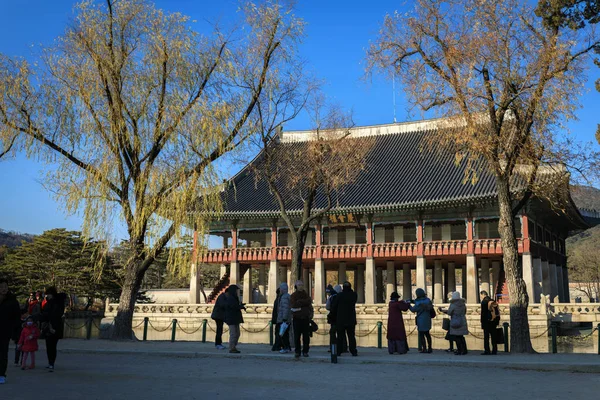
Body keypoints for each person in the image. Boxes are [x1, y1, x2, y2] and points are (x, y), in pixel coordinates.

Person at [39, 287, 66, 371]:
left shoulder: (56, 303)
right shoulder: (49, 302)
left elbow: (54, 315)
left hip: (54, 326)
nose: (47, 296)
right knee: (49, 345)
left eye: (48, 294)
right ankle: (50, 362)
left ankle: (51, 363)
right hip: (48, 326)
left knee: (52, 346)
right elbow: (44, 313)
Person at [0, 278, 22, 384]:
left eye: (5, 286)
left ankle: (1, 374)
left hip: (5, 331)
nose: (3, 289)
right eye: (1, 287)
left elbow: (17, 318)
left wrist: (16, 332)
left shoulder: (12, 301)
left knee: (3, 353)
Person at [331, 281, 358, 357]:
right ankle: (353, 351)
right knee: (351, 336)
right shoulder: (354, 295)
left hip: (341, 319)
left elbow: (334, 306)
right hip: (351, 319)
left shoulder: (339, 296)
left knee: (340, 336)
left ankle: (339, 351)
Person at [290, 280, 312, 358]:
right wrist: (304, 303)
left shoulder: (306, 295)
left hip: (305, 318)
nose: (301, 287)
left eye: (302, 285)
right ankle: (297, 351)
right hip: (297, 318)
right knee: (297, 336)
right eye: (299, 285)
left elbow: (309, 301)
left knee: (306, 336)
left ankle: (305, 351)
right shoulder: (293, 295)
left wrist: (300, 302)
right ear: (296, 286)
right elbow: (293, 305)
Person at [409, 288, 433, 353]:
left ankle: (424, 348)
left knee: (421, 335)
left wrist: (409, 305)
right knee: (427, 334)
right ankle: (430, 348)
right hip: (428, 319)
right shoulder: (428, 300)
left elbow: (413, 309)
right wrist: (412, 301)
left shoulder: (418, 303)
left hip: (421, 320)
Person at [223, 284, 245, 354]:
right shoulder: (230, 298)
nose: (237, 292)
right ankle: (231, 347)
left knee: (237, 333)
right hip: (231, 318)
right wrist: (239, 307)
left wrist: (240, 306)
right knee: (233, 333)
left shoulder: (234, 297)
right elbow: (233, 307)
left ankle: (234, 346)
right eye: (236, 290)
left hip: (235, 317)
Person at [480, 290, 499, 355]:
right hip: (494, 321)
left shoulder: (484, 302)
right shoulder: (492, 301)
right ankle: (494, 350)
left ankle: (487, 350)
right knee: (494, 336)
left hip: (486, 322)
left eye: (481, 295)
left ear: (483, 295)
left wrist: (482, 322)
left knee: (486, 337)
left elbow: (483, 313)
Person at [276, 283, 292, 354]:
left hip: (283, 319)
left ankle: (285, 347)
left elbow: (285, 308)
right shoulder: (287, 296)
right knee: (286, 334)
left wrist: (284, 318)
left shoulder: (284, 297)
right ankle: (288, 347)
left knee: (283, 334)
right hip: (286, 318)